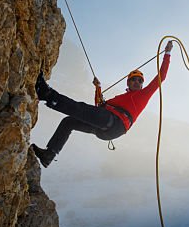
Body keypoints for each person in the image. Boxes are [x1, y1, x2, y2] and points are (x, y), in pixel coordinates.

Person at [30, 41, 173, 167]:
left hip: (116, 123)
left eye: (140, 80)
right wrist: (98, 88)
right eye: (134, 79)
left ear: (142, 85)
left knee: (80, 109)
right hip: (108, 129)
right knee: (69, 122)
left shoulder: (143, 95)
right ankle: (49, 154)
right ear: (128, 82)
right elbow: (99, 106)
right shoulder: (120, 99)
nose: (137, 82)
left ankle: (46, 94)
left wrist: (167, 53)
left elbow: (162, 76)